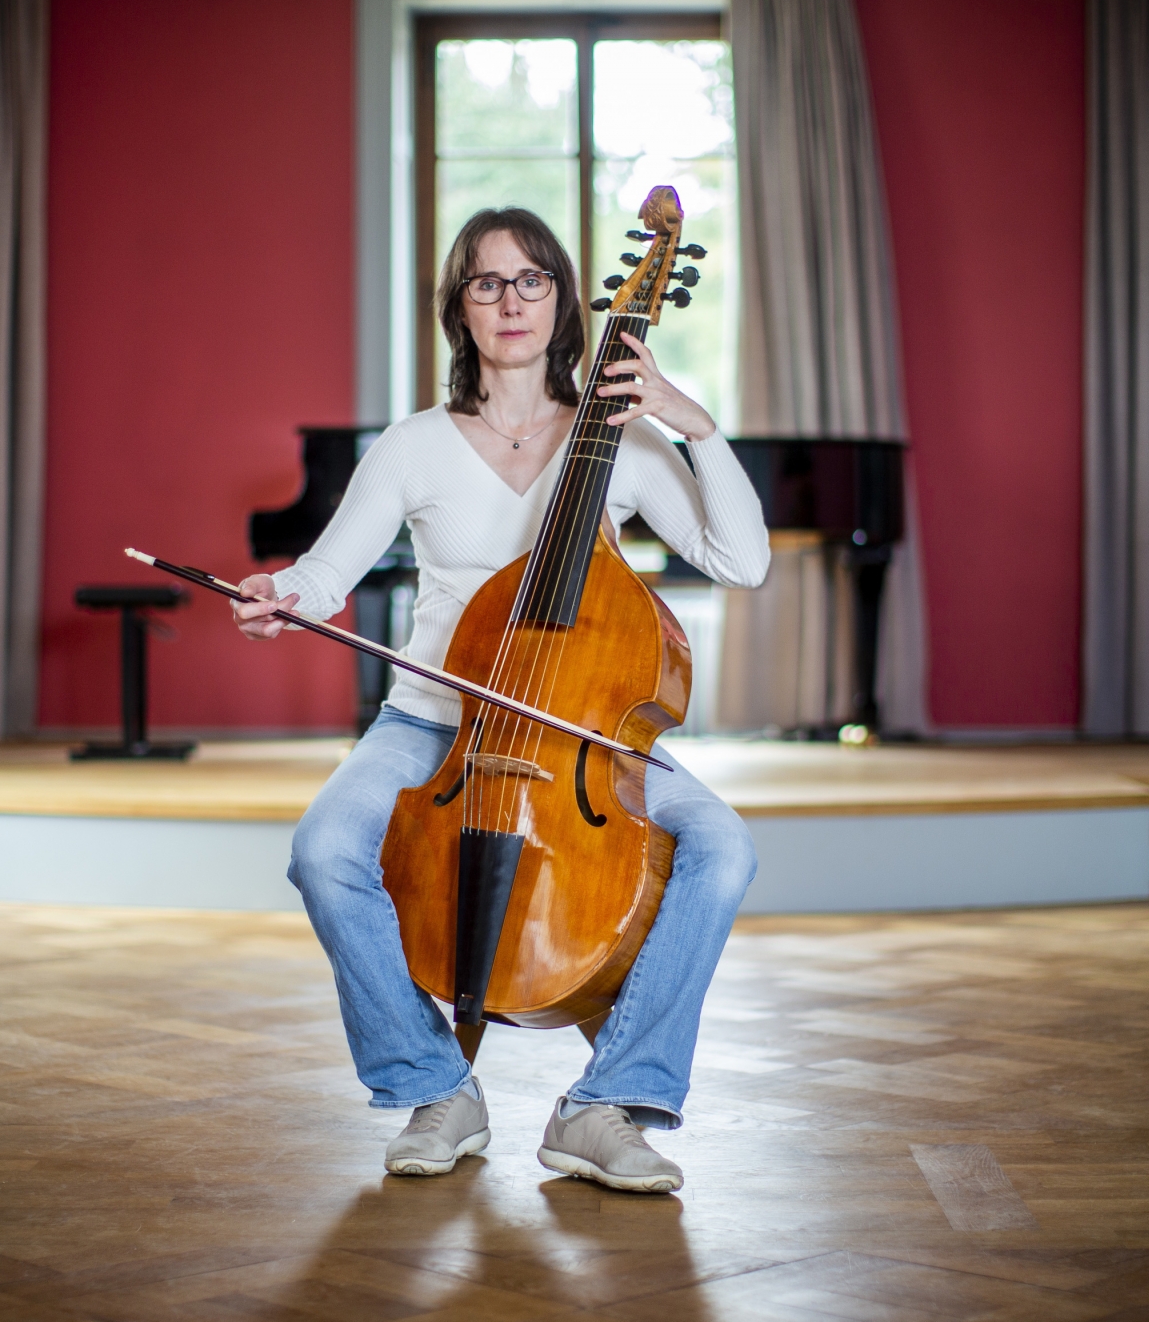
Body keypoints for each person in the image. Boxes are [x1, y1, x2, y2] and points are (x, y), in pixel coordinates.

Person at [230, 206, 769, 1193]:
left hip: (581, 733)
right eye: (485, 282)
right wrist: (283, 597)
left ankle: (603, 1104)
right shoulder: (415, 443)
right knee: (323, 850)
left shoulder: (621, 441)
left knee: (723, 845)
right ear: (459, 309)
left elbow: (740, 559)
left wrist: (691, 423)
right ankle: (435, 1083)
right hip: (431, 721)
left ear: (565, 302)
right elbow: (325, 572)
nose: (509, 299)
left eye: (529, 280)